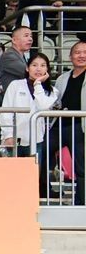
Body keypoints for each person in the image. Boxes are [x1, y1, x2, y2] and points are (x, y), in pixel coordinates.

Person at [1, 51, 57, 195]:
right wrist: (8, 135)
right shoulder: (15, 85)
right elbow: (6, 111)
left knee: (32, 179)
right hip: (14, 139)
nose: (38, 69)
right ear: (27, 68)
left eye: (43, 65)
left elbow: (43, 106)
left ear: (47, 70)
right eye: (34, 65)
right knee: (12, 178)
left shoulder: (52, 91)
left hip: (36, 140)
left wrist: (38, 84)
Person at [41, 40, 86, 207]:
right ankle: (44, 191)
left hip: (79, 126)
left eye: (85, 52)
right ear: (70, 56)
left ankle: (81, 201)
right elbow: (55, 100)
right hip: (59, 124)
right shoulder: (62, 78)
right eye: (77, 52)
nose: (81, 55)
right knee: (41, 153)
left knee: (81, 166)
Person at [0, 26, 33, 105]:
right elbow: (28, 73)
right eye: (26, 36)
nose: (30, 39)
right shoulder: (9, 56)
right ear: (14, 40)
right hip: (14, 102)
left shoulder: (20, 56)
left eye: (31, 36)